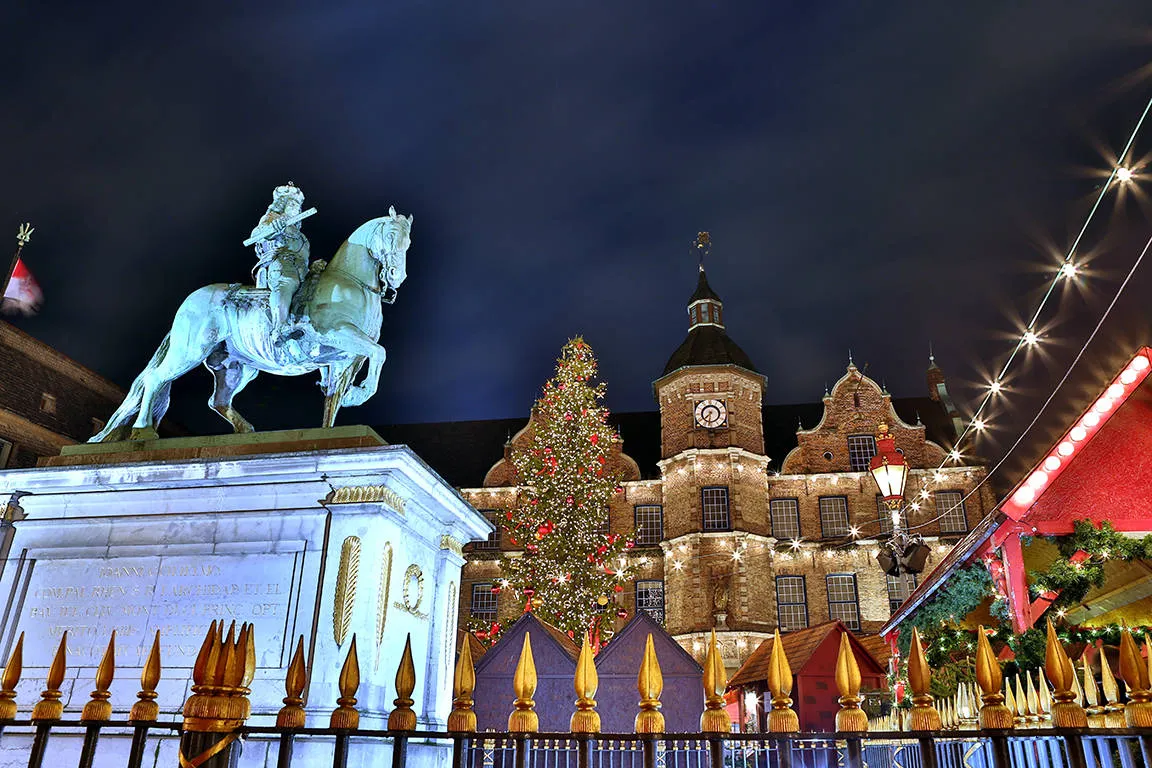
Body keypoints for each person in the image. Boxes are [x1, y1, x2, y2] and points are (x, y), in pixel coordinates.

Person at [250, 182, 310, 353]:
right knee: (286, 282)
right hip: (279, 264)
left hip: (301, 270)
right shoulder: (271, 219)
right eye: (292, 204)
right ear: (282, 204)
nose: (296, 208)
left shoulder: (299, 234)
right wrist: (272, 229)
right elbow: (257, 235)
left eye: (298, 206)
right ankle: (279, 328)